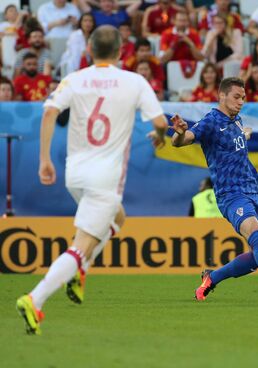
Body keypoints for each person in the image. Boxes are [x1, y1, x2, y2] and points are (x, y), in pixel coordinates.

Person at [15, 25, 168, 335]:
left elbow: (49, 113)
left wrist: (44, 159)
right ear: (121, 51)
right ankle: (36, 298)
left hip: (76, 173)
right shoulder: (134, 81)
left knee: (118, 218)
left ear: (89, 49)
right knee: (82, 245)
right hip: (106, 178)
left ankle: (80, 270)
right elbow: (161, 121)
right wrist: (161, 135)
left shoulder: (75, 78)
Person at [169, 77, 258, 303]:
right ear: (222, 96)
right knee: (257, 239)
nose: (241, 102)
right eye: (236, 97)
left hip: (252, 190)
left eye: (243, 97)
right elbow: (181, 141)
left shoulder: (237, 120)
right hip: (231, 194)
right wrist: (181, 132)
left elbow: (233, 142)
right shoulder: (211, 121)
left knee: (257, 256)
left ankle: (212, 278)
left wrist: (245, 134)